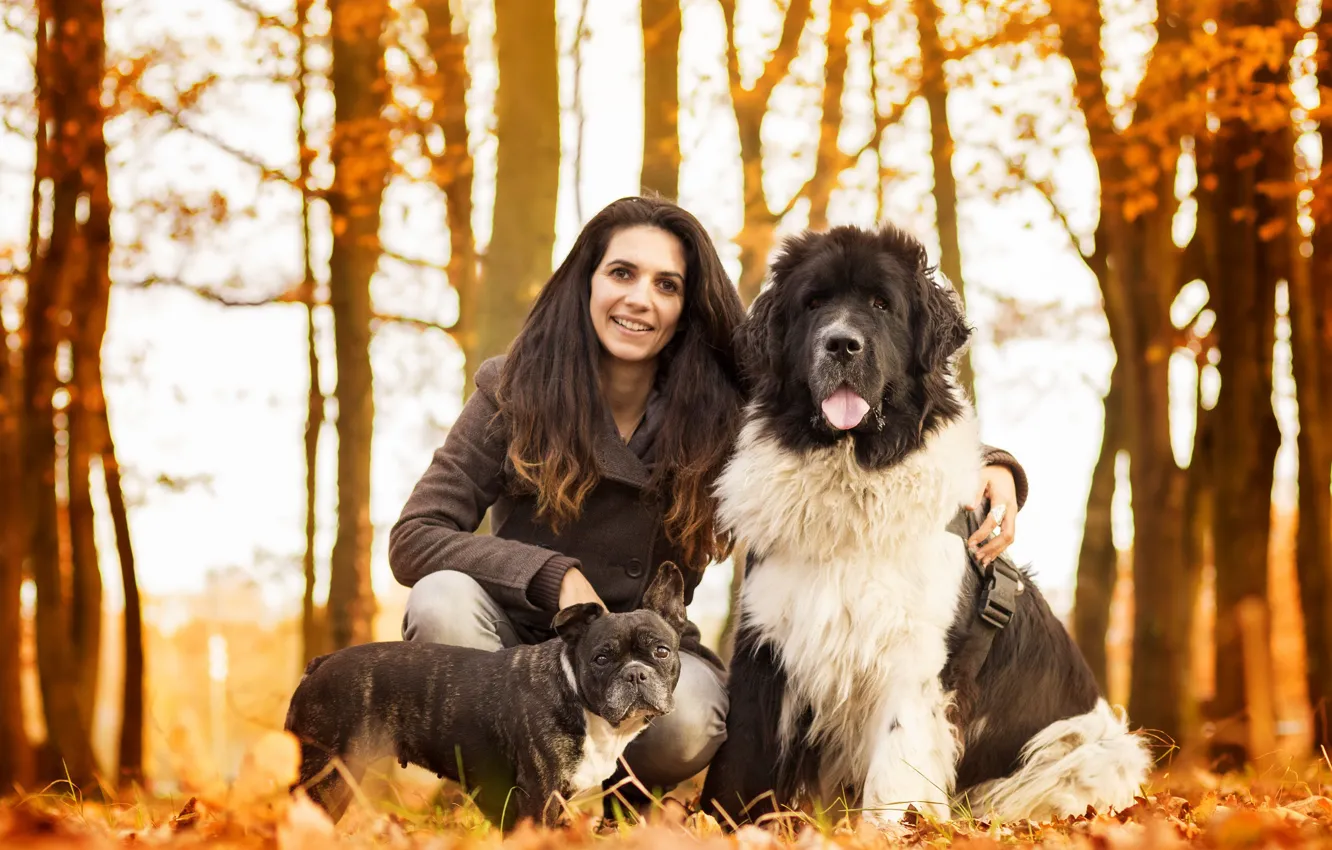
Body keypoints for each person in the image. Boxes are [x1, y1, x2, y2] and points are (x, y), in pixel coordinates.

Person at [387, 195, 1028, 805]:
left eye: (666, 285)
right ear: (586, 282)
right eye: (622, 273)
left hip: (651, 649)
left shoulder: (721, 409)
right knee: (440, 599)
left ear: (687, 304)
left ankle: (623, 807)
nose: (640, 299)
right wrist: (556, 578)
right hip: (520, 650)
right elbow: (416, 534)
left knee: (695, 721)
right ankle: (508, 809)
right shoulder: (512, 388)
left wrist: (992, 466)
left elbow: (856, 407)